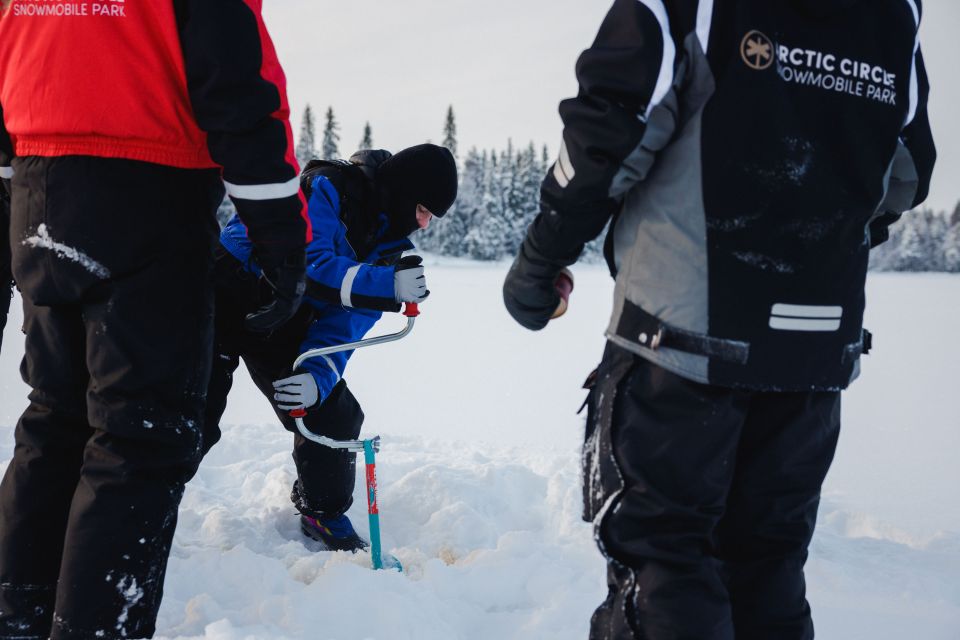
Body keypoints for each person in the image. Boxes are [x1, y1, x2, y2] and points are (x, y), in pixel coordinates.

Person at [503, 1, 935, 638]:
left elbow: (609, 131)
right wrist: (811, 245)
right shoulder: (898, 12)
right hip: (815, 354)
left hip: (680, 343)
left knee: (664, 563)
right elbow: (906, 173)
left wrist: (540, 261)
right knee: (768, 567)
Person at [0, 2, 308, 638]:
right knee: (138, 436)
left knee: (56, 418)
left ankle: (18, 616)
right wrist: (279, 235)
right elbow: (239, 83)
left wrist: (15, 182)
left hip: (37, 185)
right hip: (146, 193)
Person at [205, 143, 457, 550]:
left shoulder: (391, 254)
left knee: (334, 415)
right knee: (188, 415)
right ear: (405, 193)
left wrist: (315, 378)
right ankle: (138, 504)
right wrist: (385, 287)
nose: (424, 225)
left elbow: (342, 331)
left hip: (283, 320)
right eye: (424, 210)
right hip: (228, 291)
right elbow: (307, 263)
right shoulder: (327, 187)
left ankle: (322, 513)